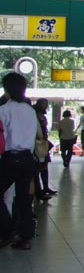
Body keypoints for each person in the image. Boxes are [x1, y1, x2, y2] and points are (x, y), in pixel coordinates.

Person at [0, 73, 39, 249]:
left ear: (7, 90)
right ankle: (25, 237)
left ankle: (7, 230)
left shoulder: (5, 110)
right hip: (28, 159)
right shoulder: (29, 110)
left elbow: (3, 137)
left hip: (11, 158)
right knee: (24, 199)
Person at [33, 98, 55, 200]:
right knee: (37, 168)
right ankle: (39, 191)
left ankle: (45, 188)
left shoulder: (41, 114)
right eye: (45, 104)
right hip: (38, 144)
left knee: (44, 167)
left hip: (42, 143)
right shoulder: (35, 114)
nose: (46, 106)